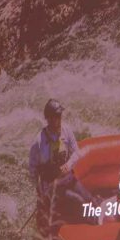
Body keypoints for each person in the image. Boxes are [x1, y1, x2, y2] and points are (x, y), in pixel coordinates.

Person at [28, 98, 95, 230]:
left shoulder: (66, 130)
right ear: (48, 119)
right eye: (55, 117)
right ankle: (87, 226)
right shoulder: (38, 142)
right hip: (53, 188)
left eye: (59, 116)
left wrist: (68, 165)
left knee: (89, 199)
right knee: (79, 201)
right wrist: (40, 191)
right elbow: (32, 169)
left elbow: (77, 152)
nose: (58, 120)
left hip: (67, 179)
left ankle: (99, 222)